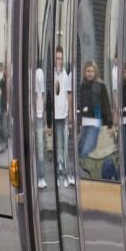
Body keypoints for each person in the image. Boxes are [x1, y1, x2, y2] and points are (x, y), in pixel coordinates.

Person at [78, 58, 113, 161]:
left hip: (95, 122)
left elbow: (106, 105)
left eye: (92, 71)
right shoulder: (82, 85)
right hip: (85, 122)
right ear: (84, 72)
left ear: (95, 72)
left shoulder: (101, 85)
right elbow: (80, 103)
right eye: (88, 71)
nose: (90, 73)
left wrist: (109, 124)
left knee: (86, 150)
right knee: (81, 150)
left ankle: (85, 175)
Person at [52, 46, 72, 186]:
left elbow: (69, 96)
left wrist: (69, 115)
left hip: (64, 116)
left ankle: (66, 172)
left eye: (60, 58)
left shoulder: (66, 75)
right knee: (58, 144)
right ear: (54, 59)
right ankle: (60, 170)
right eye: (57, 58)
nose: (59, 61)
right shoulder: (51, 75)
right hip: (55, 117)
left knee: (65, 145)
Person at [34, 62, 46, 188]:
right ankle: (38, 177)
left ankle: (41, 177)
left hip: (38, 116)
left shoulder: (39, 72)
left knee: (40, 148)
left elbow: (41, 95)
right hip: (35, 116)